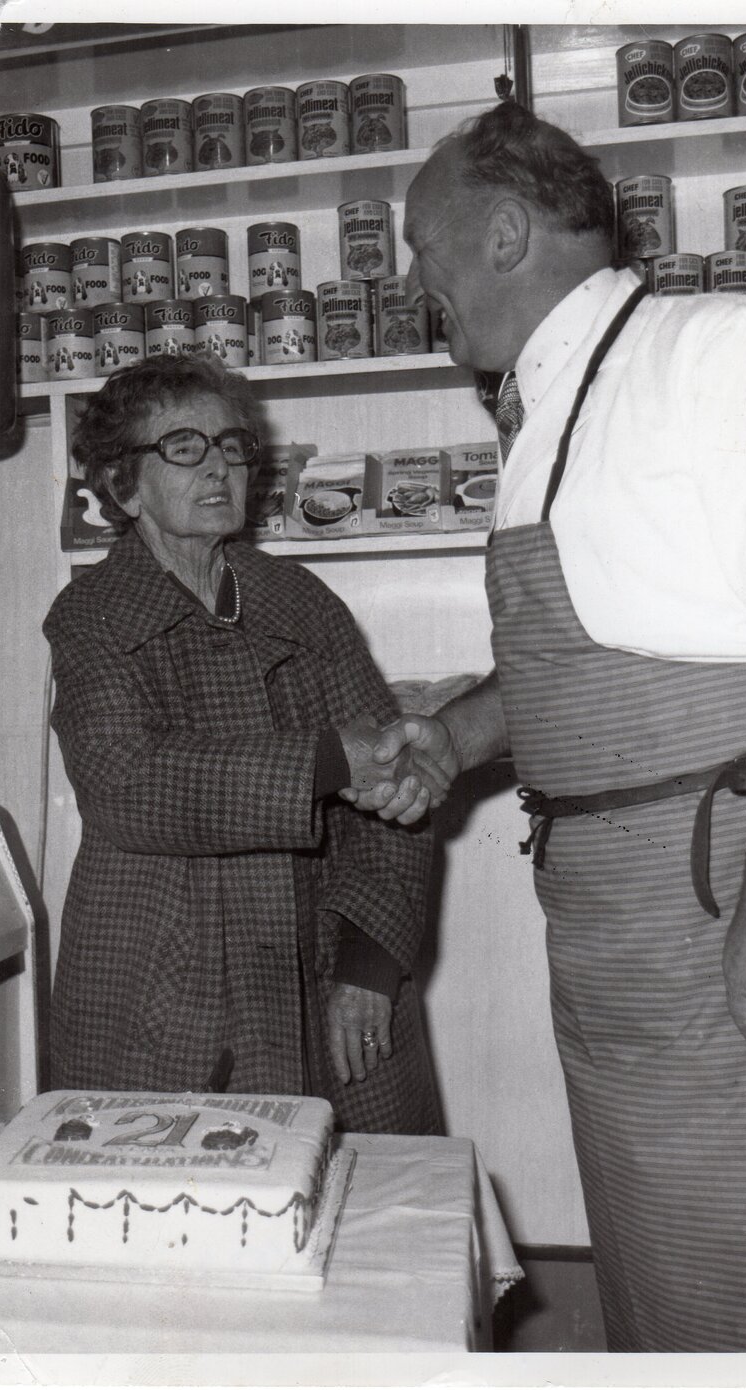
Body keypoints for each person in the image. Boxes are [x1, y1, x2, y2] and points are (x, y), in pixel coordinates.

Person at [346, 101, 746, 1349]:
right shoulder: (544, 408)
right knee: (666, 1304)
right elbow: (604, 663)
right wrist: (457, 738)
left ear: (503, 230)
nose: (413, 285)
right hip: (619, 960)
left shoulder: (716, 349)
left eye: (421, 248)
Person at [44, 353, 446, 1134]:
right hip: (160, 986)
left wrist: (370, 966)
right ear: (124, 485)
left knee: (370, 1213)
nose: (218, 466)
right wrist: (331, 760)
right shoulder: (89, 617)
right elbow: (127, 785)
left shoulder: (300, 599)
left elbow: (395, 791)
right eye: (184, 448)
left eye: (232, 446)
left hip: (326, 966)